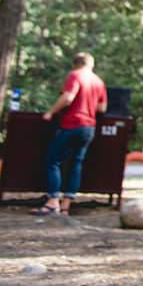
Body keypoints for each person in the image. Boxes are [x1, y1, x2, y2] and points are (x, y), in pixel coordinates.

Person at [30, 52, 107, 216]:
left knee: (52, 161)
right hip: (89, 128)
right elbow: (102, 108)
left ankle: (52, 202)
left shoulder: (75, 75)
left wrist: (50, 112)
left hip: (72, 124)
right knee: (75, 165)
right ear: (91, 65)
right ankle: (65, 206)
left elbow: (68, 97)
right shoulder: (98, 82)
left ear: (75, 64)